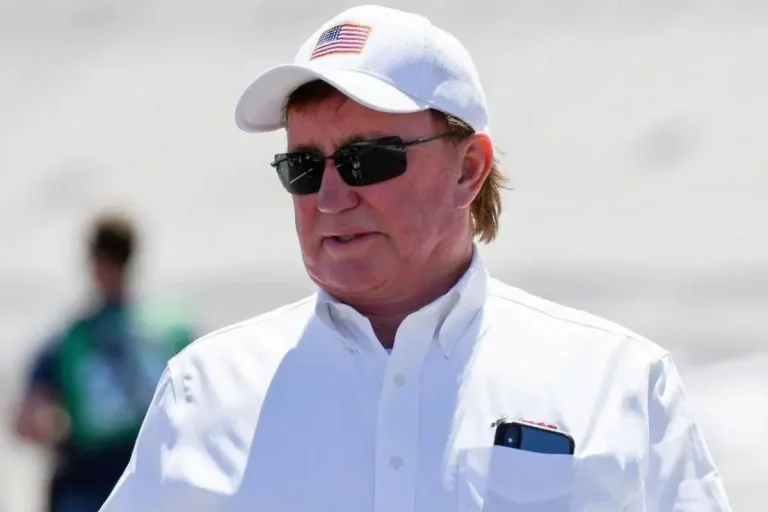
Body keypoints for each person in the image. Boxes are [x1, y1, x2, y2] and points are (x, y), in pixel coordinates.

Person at [99, 5, 732, 511]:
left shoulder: (618, 382)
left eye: (367, 159)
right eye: (301, 167)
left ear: (470, 168)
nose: (329, 196)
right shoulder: (204, 392)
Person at [14, 212, 195, 512]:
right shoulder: (175, 328)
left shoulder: (69, 339)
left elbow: (27, 423)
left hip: (89, 485)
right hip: (159, 481)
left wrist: (63, 430)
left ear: (95, 263)